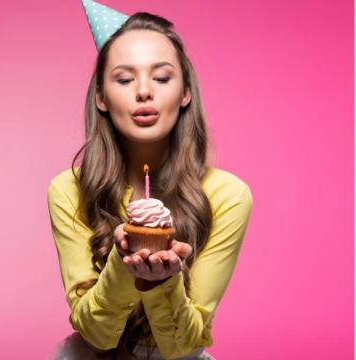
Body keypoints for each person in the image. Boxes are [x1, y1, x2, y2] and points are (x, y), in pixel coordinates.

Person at [47, 2, 253, 359]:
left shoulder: (227, 195)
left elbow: (183, 345)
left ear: (185, 92)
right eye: (125, 79)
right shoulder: (69, 190)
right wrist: (123, 265)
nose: (144, 91)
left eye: (161, 77)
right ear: (101, 97)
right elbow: (97, 334)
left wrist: (161, 281)